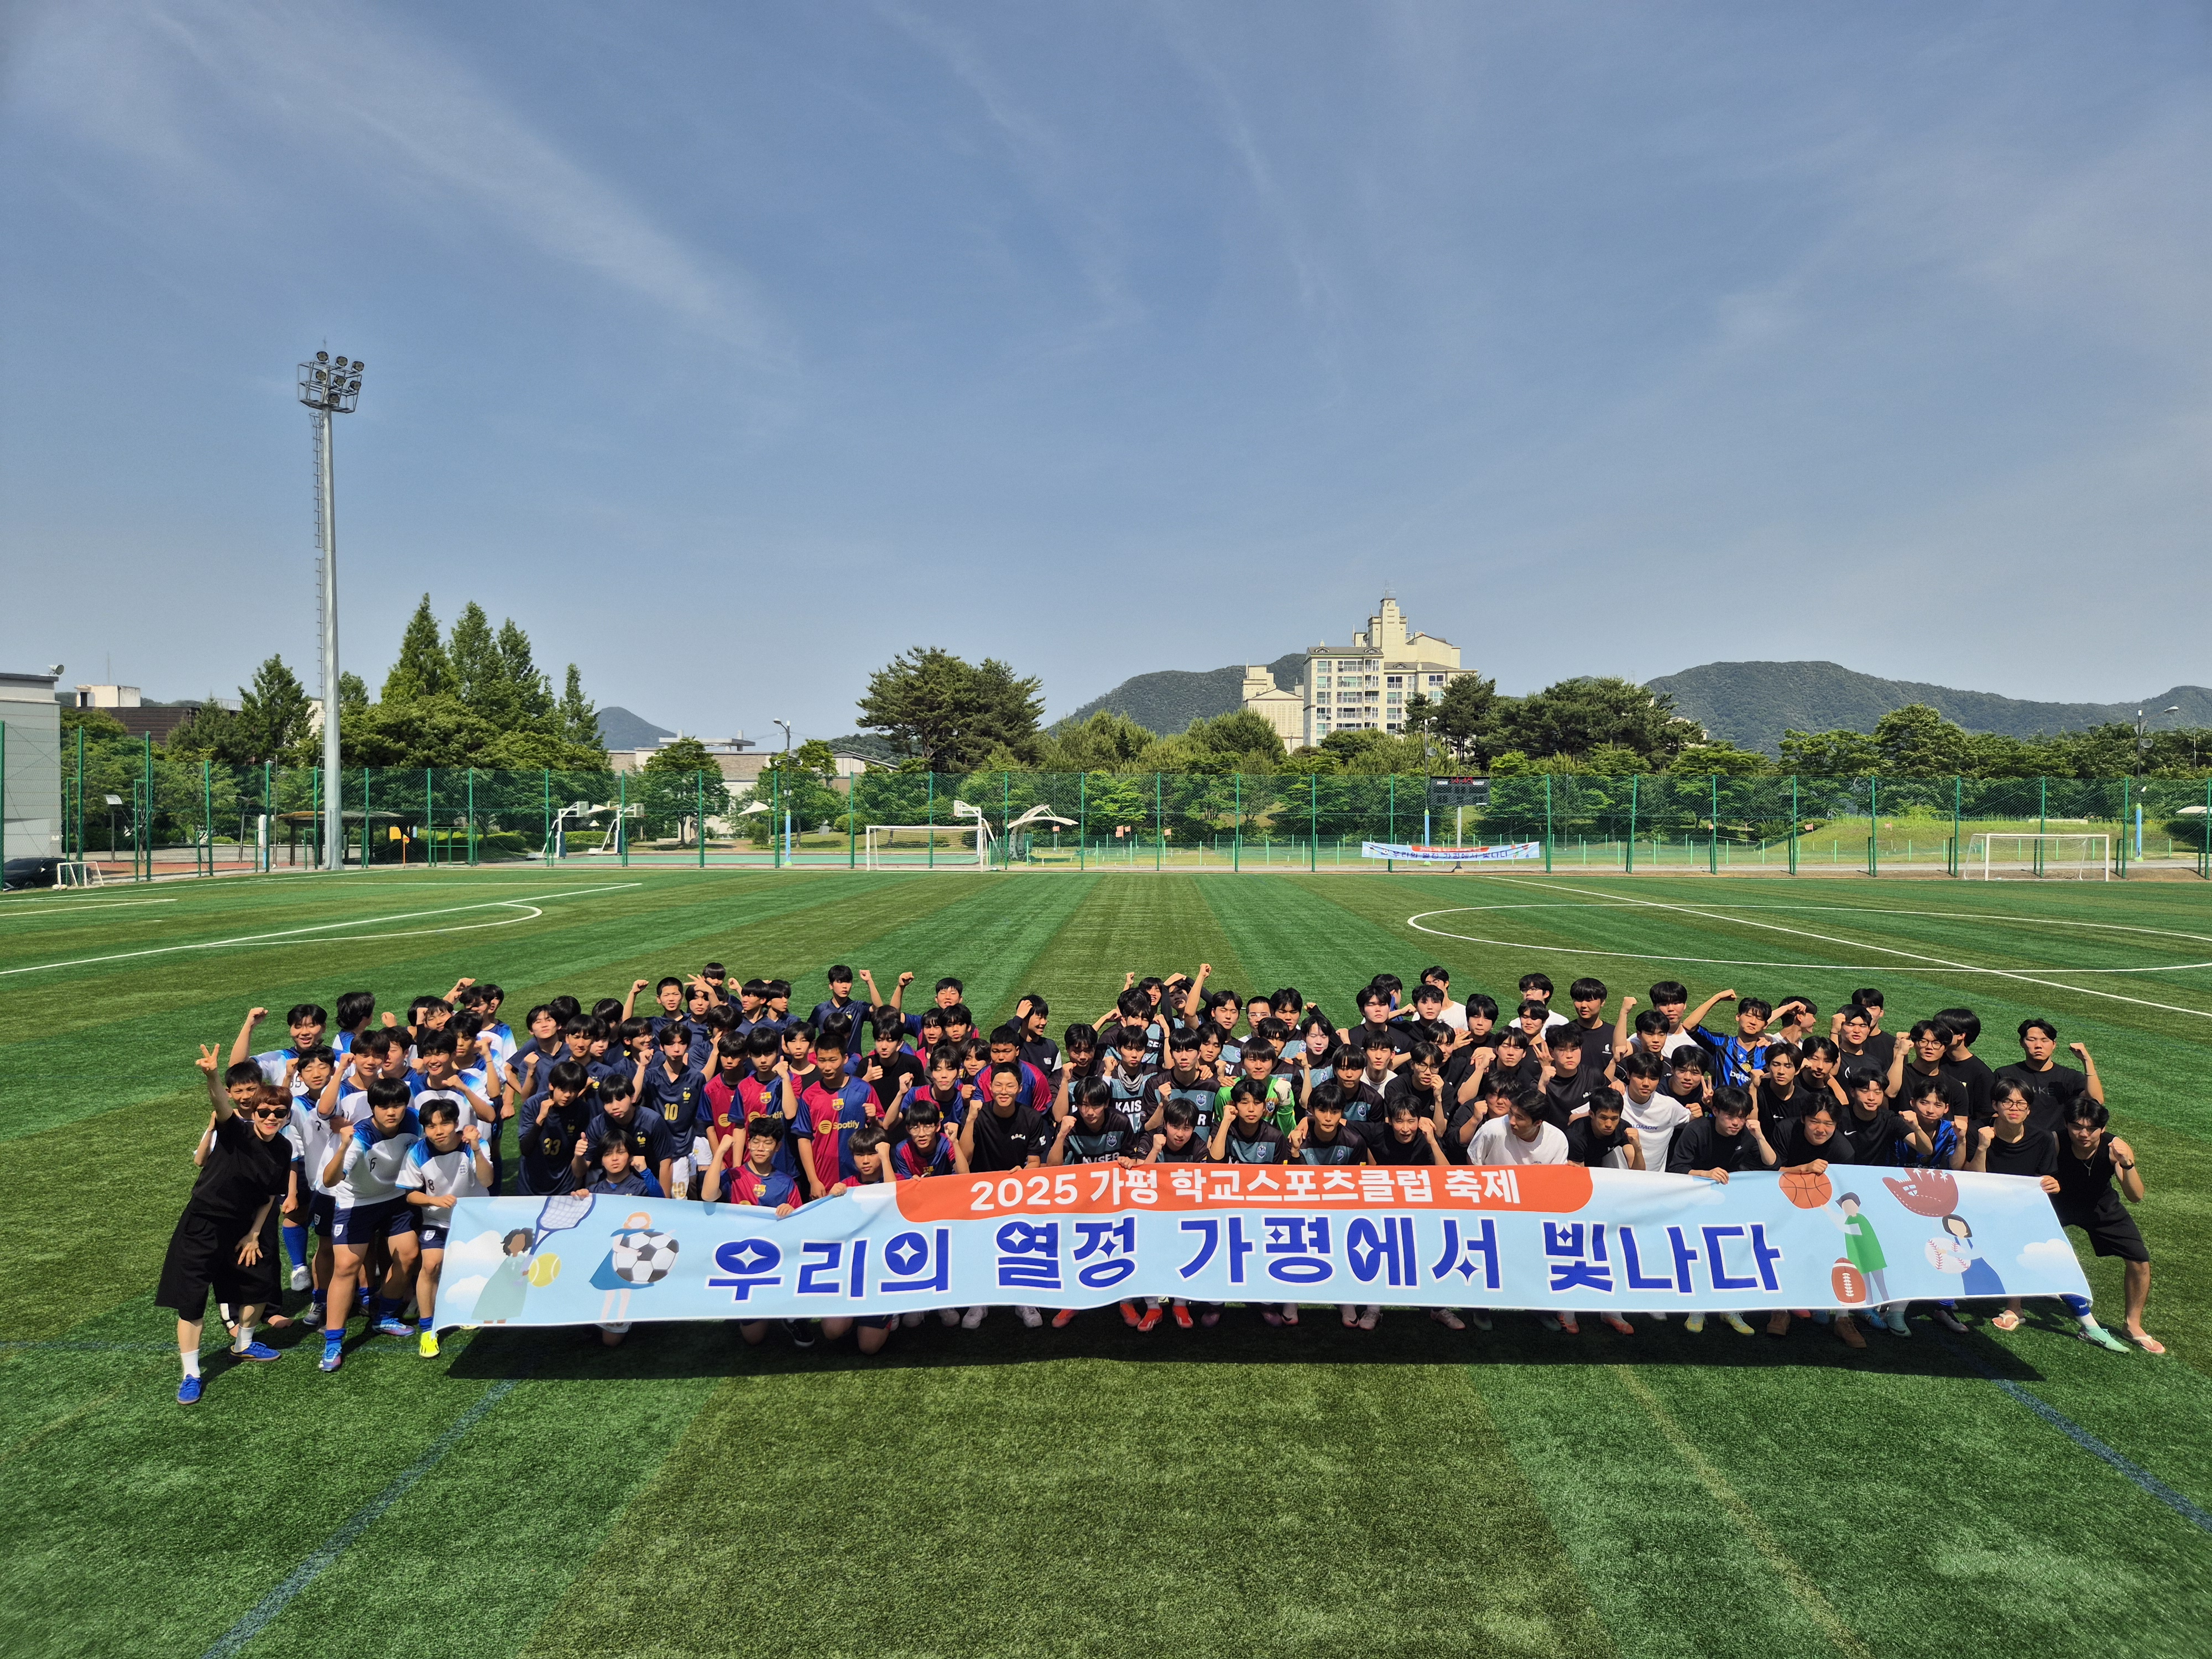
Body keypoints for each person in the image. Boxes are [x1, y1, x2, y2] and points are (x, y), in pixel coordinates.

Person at [160, 1048, 293, 1402]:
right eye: (265, 1111)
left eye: (279, 1113)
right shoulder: (236, 1131)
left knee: (259, 1281)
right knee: (192, 1299)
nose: (271, 1117)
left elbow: (270, 1196)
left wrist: (253, 1234)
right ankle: (191, 1373)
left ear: (286, 1116)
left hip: (243, 1228)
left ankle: (244, 1344)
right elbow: (221, 1104)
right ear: (254, 1111)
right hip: (203, 1224)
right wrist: (213, 1077)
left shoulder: (283, 1149)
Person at [317, 1077, 423, 1373]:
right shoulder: (360, 1136)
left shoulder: (414, 1121)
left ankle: (385, 1316)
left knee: (409, 1255)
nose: (392, 1112)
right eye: (384, 1106)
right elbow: (329, 1180)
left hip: (395, 1198)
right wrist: (342, 1148)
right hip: (357, 1204)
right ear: (373, 1107)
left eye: (398, 1104)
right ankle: (334, 1341)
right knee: (346, 1268)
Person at [1665, 1086, 1776, 1336]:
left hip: (1731, 1205)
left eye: (1742, 1117)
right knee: (1701, 1255)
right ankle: (1697, 1308)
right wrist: (1706, 1174)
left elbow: (1773, 1165)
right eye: (1730, 1116)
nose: (1737, 1123)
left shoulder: (1747, 1134)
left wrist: (1759, 1137)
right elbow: (1676, 1168)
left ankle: (1731, 1309)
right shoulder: (1697, 1130)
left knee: (1736, 1253)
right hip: (1694, 1203)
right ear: (1715, 1111)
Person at [2053, 1100, 2161, 1354]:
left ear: (2102, 1129)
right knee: (2027, 1243)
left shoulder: (2115, 1149)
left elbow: (2136, 1196)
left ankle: (2132, 1325)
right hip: (2059, 1203)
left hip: (2101, 1206)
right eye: (2077, 1127)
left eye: (2092, 1129)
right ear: (2067, 1125)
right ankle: (2016, 1308)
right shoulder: (2055, 1141)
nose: (2083, 1134)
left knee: (2139, 1260)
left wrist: (2127, 1164)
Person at [396, 1099, 493, 1356]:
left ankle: (465, 1310)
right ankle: (428, 1330)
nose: (438, 1131)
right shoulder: (417, 1152)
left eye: (445, 1124)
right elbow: (410, 1195)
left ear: (456, 1124)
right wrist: (433, 1200)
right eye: (431, 1126)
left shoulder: (474, 1145)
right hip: (437, 1220)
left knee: (473, 1265)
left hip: (474, 1220)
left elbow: (487, 1179)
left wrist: (477, 1147)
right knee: (431, 1265)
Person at [959, 1062, 1053, 1329]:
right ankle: (980, 1300)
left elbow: (1036, 1161)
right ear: (989, 1088)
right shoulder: (978, 1114)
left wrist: (1023, 1172)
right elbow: (965, 1157)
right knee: (981, 1246)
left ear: (1020, 1089)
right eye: (998, 1085)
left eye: (1010, 1086)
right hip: (981, 1194)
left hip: (1018, 1193)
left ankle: (1024, 1300)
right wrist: (970, 1119)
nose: (1004, 1091)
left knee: (1023, 1246)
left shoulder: (1032, 1118)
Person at [1046, 1080, 1145, 1328]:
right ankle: (1073, 1302)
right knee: (1075, 1249)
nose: (1089, 1112)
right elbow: (1053, 1167)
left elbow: (1132, 1159)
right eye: (1082, 1105)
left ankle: (1125, 1300)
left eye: (1096, 1106)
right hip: (1081, 1202)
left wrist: (1128, 1160)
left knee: (1122, 1249)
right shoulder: (1072, 1125)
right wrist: (1061, 1135)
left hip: (1116, 1200)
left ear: (1107, 1104)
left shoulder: (1121, 1122)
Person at [1775, 1100, 1864, 1347]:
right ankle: (1781, 1310)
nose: (1821, 1129)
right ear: (1803, 1118)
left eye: (1829, 1124)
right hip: (1781, 1204)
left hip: (1823, 1209)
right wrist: (1803, 1169)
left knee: (1843, 1249)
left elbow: (1844, 1194)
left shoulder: (1843, 1151)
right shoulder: (1785, 1131)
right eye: (1815, 1121)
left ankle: (1843, 1318)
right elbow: (1767, 1173)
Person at [1994, 1020, 2103, 1138]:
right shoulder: (2005, 1074)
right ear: (2022, 1043)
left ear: (2054, 1044)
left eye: (2045, 1040)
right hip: (2016, 1139)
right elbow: (1992, 1111)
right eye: (2031, 1040)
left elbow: (2096, 1101)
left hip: (2056, 1142)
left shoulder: (2069, 1077)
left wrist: (2087, 1060)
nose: (2039, 1045)